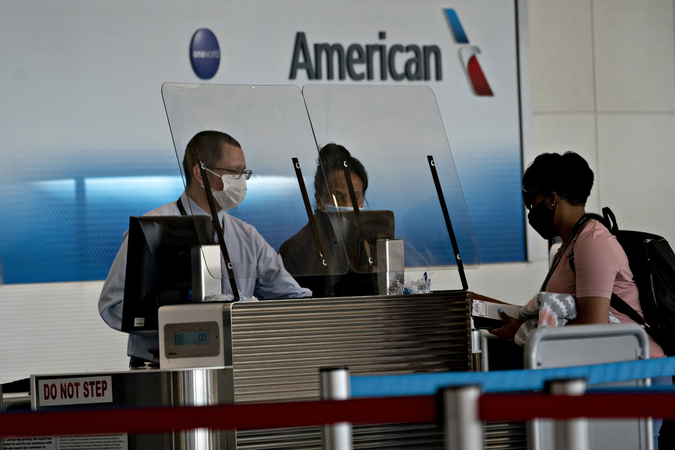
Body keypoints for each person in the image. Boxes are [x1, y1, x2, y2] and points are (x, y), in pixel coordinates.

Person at [489, 151, 668, 448]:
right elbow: (564, 312)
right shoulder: (569, 247)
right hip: (605, 371)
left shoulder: (593, 243)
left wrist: (529, 336)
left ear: (552, 198)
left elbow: (593, 326)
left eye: (529, 200)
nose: (529, 209)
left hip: (634, 375)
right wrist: (517, 327)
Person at [99, 130, 311, 365]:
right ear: (201, 173)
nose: (241, 181)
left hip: (233, 367)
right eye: (235, 173)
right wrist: (181, 326)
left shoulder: (247, 235)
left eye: (244, 173)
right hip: (160, 367)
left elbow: (293, 297)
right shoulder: (150, 227)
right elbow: (113, 305)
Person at [279, 143, 374, 297]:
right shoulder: (296, 250)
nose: (349, 205)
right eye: (338, 197)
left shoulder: (374, 243)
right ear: (319, 200)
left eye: (356, 198)